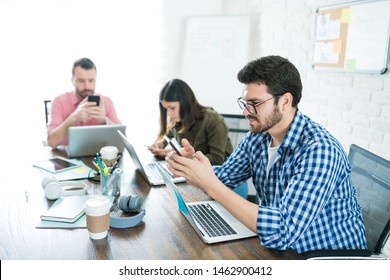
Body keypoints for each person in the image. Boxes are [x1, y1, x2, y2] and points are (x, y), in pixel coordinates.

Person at [166, 56, 367, 254]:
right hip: (283, 249)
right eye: (244, 102)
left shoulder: (320, 150)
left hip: (325, 258)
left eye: (255, 103)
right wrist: (194, 166)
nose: (246, 111)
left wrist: (210, 184)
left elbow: (283, 229)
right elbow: (224, 177)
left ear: (285, 101)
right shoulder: (259, 137)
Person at [149, 78, 233, 165]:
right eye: (166, 109)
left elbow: (217, 159)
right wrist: (159, 145)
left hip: (219, 172)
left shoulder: (213, 120)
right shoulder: (178, 119)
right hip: (193, 170)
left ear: (185, 102)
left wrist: (187, 156)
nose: (169, 114)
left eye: (172, 108)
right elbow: (167, 137)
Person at [47, 57, 121, 148]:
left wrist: (105, 121)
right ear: (73, 81)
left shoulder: (106, 102)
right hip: (67, 158)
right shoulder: (59, 102)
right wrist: (73, 118)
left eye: (91, 80)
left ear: (96, 80)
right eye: (81, 81)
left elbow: (122, 140)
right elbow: (51, 142)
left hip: (98, 158)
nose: (87, 86)